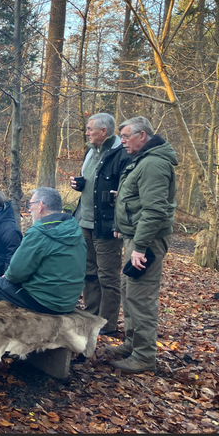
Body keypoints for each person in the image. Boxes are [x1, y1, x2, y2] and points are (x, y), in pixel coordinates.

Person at [108, 117, 177, 374]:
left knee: (141, 297)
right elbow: (141, 198)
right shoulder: (143, 160)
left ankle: (145, 356)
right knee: (129, 292)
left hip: (146, 240)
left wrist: (139, 246)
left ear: (142, 136)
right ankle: (131, 345)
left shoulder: (154, 163)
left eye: (126, 136)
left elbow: (155, 209)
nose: (122, 141)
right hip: (135, 236)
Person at [70, 113, 131, 336]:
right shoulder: (90, 152)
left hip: (106, 227)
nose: (86, 133)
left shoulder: (122, 154)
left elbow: (127, 191)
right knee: (89, 272)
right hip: (84, 222)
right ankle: (90, 317)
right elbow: (93, 184)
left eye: (89, 129)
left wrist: (118, 219)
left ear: (103, 132)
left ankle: (107, 324)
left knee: (108, 275)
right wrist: (79, 184)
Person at [0, 187, 86, 315]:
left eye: (30, 204)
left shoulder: (39, 231)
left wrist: (9, 275)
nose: (29, 209)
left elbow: (16, 273)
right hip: (68, 301)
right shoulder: (74, 228)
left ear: (40, 206)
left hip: (46, 301)